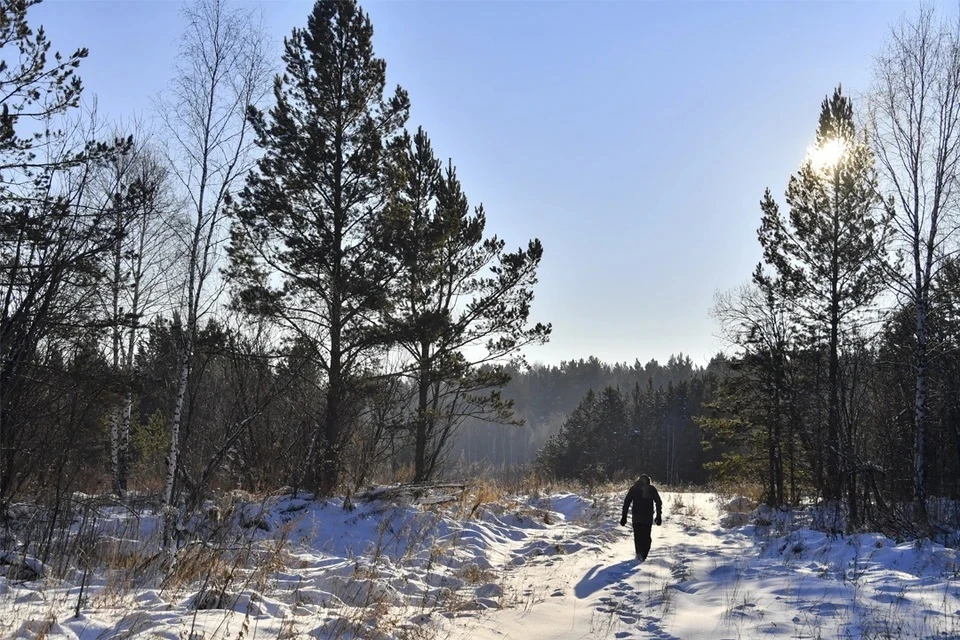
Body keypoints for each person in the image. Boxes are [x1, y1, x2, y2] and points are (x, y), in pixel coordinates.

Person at [620, 474, 663, 561]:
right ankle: (643, 554)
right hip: (647, 517)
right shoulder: (651, 489)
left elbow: (627, 502)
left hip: (636, 517)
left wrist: (624, 516)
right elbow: (658, 502)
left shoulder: (634, 489)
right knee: (646, 536)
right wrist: (658, 516)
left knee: (638, 536)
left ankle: (639, 554)